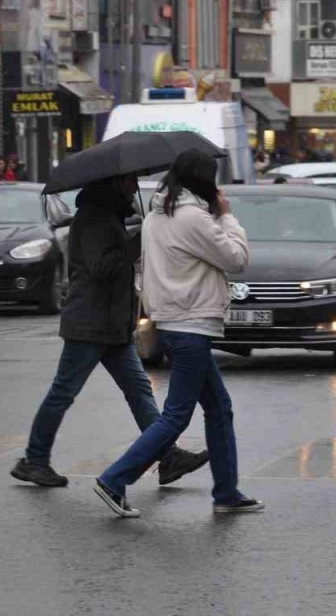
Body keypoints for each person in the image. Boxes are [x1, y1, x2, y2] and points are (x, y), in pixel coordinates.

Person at [10, 174, 209, 488]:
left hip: (112, 325)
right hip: (89, 323)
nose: (133, 188)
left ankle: (167, 456)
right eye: (129, 182)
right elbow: (102, 268)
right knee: (63, 393)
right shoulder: (93, 218)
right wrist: (138, 241)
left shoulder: (109, 216)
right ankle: (34, 460)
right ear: (114, 185)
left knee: (139, 390)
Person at [95, 150, 262, 518]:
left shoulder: (158, 216)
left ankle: (227, 492)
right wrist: (228, 216)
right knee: (176, 415)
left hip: (172, 322)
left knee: (219, 408)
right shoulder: (192, 219)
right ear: (203, 180)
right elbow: (236, 258)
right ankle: (114, 479)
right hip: (191, 325)